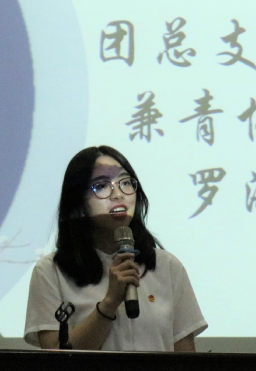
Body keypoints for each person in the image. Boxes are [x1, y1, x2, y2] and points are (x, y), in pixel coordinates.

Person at [24, 145, 207, 351]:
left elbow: (185, 358)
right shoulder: (50, 271)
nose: (119, 195)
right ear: (78, 204)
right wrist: (110, 303)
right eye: (102, 186)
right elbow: (53, 359)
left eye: (125, 183)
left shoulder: (167, 266)